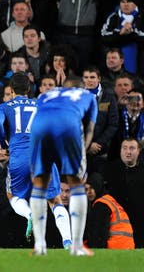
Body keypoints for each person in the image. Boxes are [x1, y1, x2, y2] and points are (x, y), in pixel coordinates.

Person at [0, 73, 73, 249]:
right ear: (29, 89)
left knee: (12, 195)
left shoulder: (3, 107)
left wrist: (2, 141)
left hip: (19, 157)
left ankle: (29, 214)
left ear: (11, 90)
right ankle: (67, 240)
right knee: (54, 200)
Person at [29, 82, 97, 256]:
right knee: (76, 183)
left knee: (40, 183)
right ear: (80, 88)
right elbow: (89, 128)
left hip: (39, 126)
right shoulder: (88, 96)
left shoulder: (45, 95)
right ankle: (76, 246)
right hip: (68, 125)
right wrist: (82, 152)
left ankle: (40, 246)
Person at [84, 172, 135, 249]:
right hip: (128, 246)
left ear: (98, 187)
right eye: (86, 189)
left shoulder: (101, 205)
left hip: (116, 246)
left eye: (92, 188)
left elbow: (98, 235)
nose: (89, 192)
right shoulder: (110, 201)